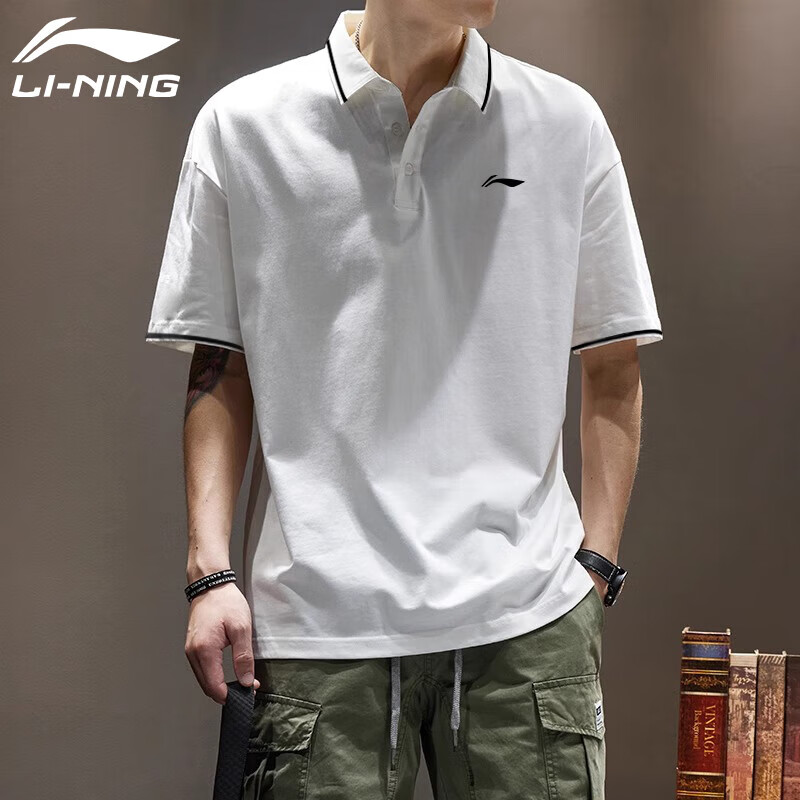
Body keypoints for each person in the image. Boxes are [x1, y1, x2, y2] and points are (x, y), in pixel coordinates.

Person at [145, 2, 662, 797]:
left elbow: (613, 365)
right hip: (320, 622)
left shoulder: (566, 123)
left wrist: (594, 568)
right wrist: (209, 572)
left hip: (525, 623)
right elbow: (223, 364)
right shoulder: (242, 125)